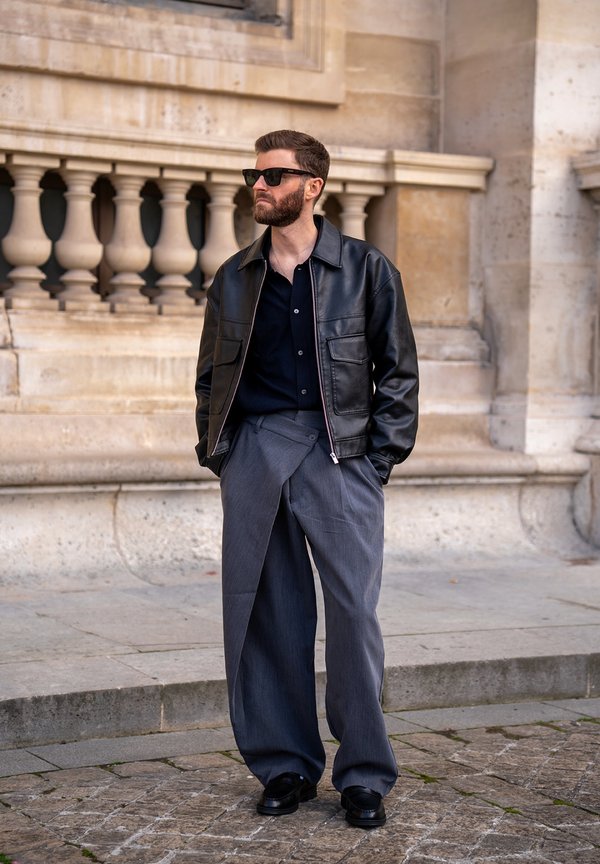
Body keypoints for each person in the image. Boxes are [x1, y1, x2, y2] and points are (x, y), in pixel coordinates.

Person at [195, 130, 418, 829]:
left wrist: (378, 461)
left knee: (353, 614)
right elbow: (209, 377)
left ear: (311, 186)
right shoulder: (234, 276)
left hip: (341, 453)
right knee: (266, 612)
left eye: (272, 176)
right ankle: (285, 764)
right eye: (254, 175)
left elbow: (398, 372)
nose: (257, 186)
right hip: (256, 450)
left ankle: (364, 774)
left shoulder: (366, 268)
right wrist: (222, 453)